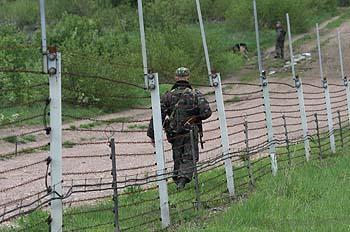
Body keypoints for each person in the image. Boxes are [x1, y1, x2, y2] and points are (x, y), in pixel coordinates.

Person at [147, 67, 212, 189]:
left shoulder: (168, 96)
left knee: (177, 156)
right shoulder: (195, 94)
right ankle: (182, 181)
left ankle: (178, 180)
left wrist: (152, 134)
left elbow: (157, 115)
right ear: (188, 77)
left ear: (176, 77)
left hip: (174, 133)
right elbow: (207, 112)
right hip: (190, 130)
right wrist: (195, 117)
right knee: (190, 156)